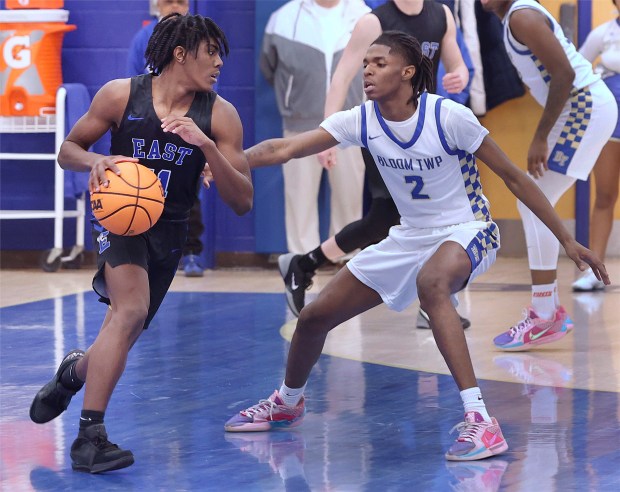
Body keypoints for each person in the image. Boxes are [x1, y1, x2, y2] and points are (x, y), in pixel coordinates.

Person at [224, 31, 609, 461]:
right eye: (366, 62)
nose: (368, 70)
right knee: (314, 317)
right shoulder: (363, 119)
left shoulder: (448, 116)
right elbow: (285, 148)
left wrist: (567, 239)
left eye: (379, 63)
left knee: (433, 284)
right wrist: (224, 158)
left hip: (469, 228)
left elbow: (515, 177)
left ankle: (482, 421)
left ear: (407, 71)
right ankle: (287, 402)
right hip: (410, 235)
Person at [29, 13, 253, 473]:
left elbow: (243, 200)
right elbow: (66, 151)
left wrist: (207, 147)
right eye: (210, 53)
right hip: (120, 221)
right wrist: (96, 159)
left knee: (124, 329)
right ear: (179, 53)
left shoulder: (220, 114)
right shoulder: (120, 94)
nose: (218, 64)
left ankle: (72, 373)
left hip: (170, 232)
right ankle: (90, 438)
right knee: (128, 312)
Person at [276, 0, 472, 330]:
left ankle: (303, 264)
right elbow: (341, 76)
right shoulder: (374, 21)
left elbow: (457, 65)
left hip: (425, 132)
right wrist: (328, 136)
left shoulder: (442, 15)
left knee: (399, 218)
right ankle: (431, 300)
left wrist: (459, 77)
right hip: (384, 130)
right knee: (392, 215)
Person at [481, 0, 617, 351]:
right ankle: (547, 311)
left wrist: (541, 136)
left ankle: (545, 314)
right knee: (532, 201)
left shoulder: (523, 16)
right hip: (579, 110)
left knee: (533, 201)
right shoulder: (512, 16)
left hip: (584, 109)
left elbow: (566, 75)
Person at [259, 0, 369, 255]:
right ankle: (301, 259)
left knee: (349, 198)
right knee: (300, 199)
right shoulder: (283, 18)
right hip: (300, 125)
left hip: (350, 125)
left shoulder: (363, 15)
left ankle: (345, 257)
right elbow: (268, 66)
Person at [127, 0, 206, 278]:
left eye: (181, 1)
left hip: (187, 124)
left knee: (188, 189)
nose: (174, 6)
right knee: (143, 188)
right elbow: (134, 82)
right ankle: (142, 250)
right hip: (150, 126)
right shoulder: (143, 39)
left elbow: (208, 84)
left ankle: (192, 253)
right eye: (168, 1)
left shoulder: (199, 37)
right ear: (157, 5)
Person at [572, 0, 620, 291]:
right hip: (611, 124)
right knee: (604, 195)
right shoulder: (602, 33)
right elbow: (576, 69)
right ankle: (595, 272)